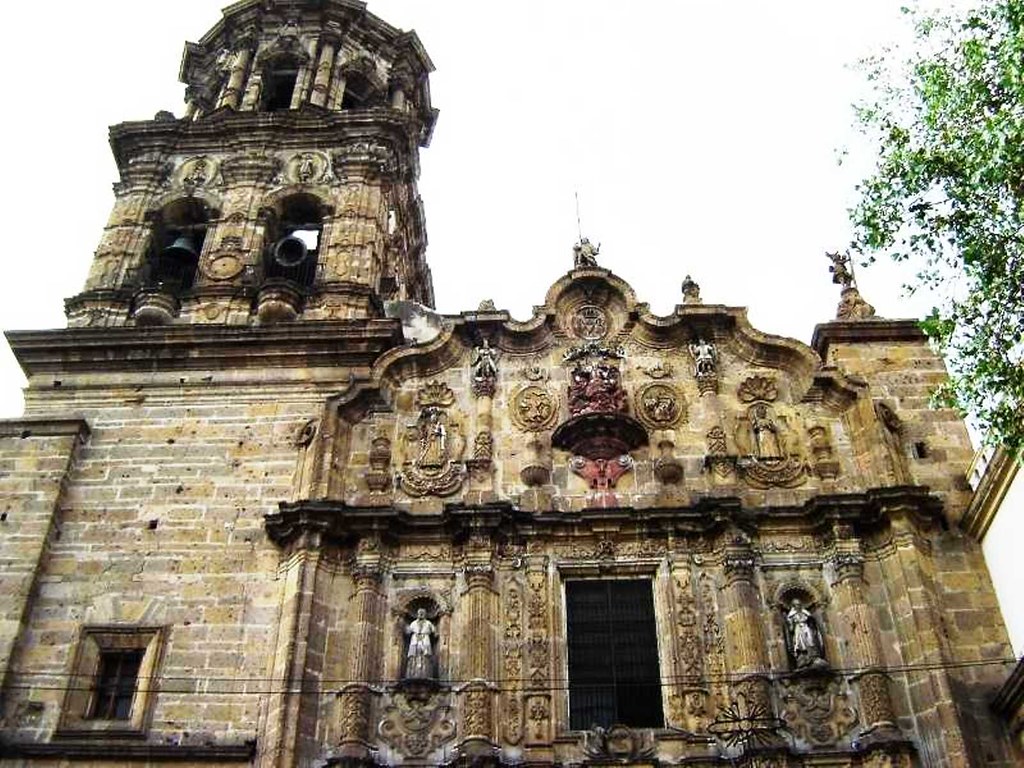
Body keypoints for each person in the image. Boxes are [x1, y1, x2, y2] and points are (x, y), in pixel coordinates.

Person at [405, 608, 437, 679]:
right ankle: (413, 674)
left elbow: (434, 631)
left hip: (425, 639)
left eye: (423, 613)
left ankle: (425, 674)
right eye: (420, 613)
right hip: (415, 640)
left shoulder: (428, 623)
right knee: (413, 655)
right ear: (417, 614)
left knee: (426, 656)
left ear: (425, 614)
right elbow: (408, 632)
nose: (421, 614)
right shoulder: (413, 623)